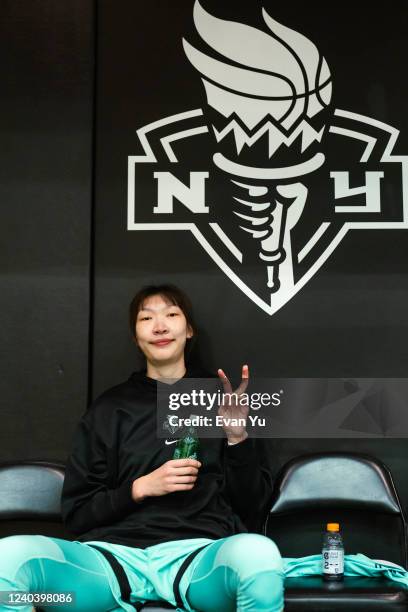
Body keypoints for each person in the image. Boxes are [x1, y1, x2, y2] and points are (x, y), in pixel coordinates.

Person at [0, 285, 283, 612]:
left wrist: (237, 438)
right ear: (136, 337)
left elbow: (253, 508)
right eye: (146, 318)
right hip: (109, 564)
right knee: (8, 559)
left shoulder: (222, 402)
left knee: (259, 554)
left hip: (197, 562)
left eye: (172, 315)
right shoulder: (109, 410)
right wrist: (140, 488)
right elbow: (77, 516)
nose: (160, 326)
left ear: (188, 330)